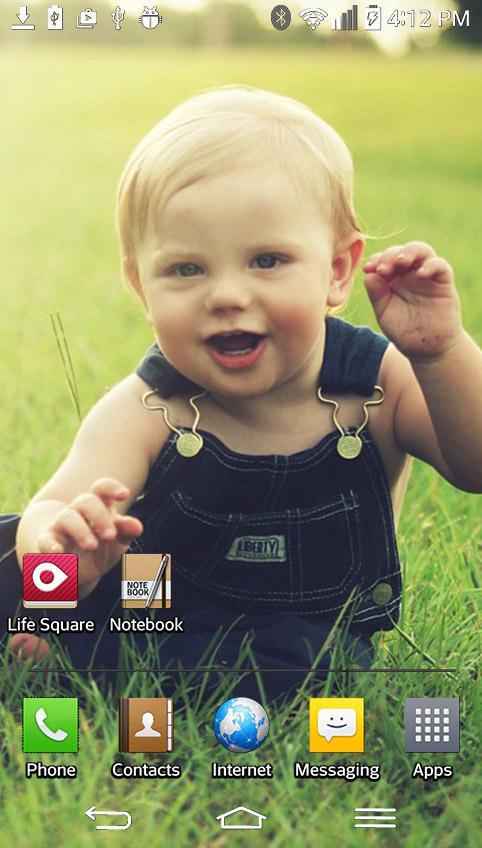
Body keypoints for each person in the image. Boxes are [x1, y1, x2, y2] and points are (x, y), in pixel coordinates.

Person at [7, 86, 482, 698]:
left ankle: (86, 657)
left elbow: (473, 466)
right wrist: (61, 548)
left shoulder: (379, 384)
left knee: (311, 663)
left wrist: (441, 355)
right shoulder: (150, 405)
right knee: (12, 549)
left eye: (266, 261)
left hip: (302, 634)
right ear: (142, 286)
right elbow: (52, 504)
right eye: (187, 269)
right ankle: (74, 634)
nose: (227, 295)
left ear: (337, 270)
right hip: (152, 610)